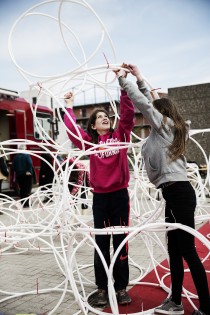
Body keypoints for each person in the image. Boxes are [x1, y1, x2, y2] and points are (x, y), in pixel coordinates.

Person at [116, 64, 210, 315]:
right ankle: (176, 302)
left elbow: (146, 105)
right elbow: (151, 102)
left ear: (161, 115)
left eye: (153, 114)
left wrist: (125, 82)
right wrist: (140, 78)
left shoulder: (167, 128)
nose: (148, 119)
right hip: (173, 193)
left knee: (187, 250)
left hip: (178, 192)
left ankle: (207, 307)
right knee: (174, 251)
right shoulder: (167, 130)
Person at [64, 87, 135, 306]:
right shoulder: (91, 143)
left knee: (121, 242)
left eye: (106, 116)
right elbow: (73, 131)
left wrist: (123, 88)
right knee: (102, 244)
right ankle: (102, 288)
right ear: (93, 126)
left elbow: (128, 114)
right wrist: (68, 105)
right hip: (101, 199)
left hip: (120, 196)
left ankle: (121, 287)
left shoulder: (120, 135)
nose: (104, 118)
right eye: (99, 118)